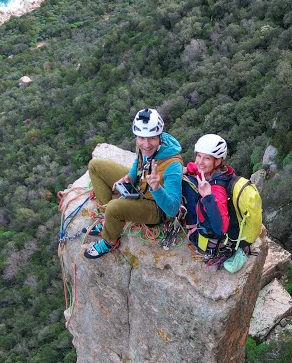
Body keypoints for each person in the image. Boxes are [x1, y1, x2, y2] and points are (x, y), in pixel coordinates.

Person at [84, 108, 184, 259]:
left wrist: (156, 188)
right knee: (95, 166)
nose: (146, 144)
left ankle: (110, 240)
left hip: (156, 207)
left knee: (115, 207)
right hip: (140, 184)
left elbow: (172, 209)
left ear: (160, 136)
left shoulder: (173, 165)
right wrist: (130, 177)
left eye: (152, 138)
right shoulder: (143, 146)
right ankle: (107, 218)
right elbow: (138, 161)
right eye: (141, 138)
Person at [180, 133, 235, 264]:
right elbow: (198, 168)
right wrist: (187, 169)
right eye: (199, 156)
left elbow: (221, 228)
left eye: (207, 158)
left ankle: (192, 226)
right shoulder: (217, 172)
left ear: (218, 160)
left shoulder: (218, 191)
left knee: (186, 184)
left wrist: (208, 198)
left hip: (208, 239)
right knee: (190, 178)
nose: (200, 161)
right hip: (213, 215)